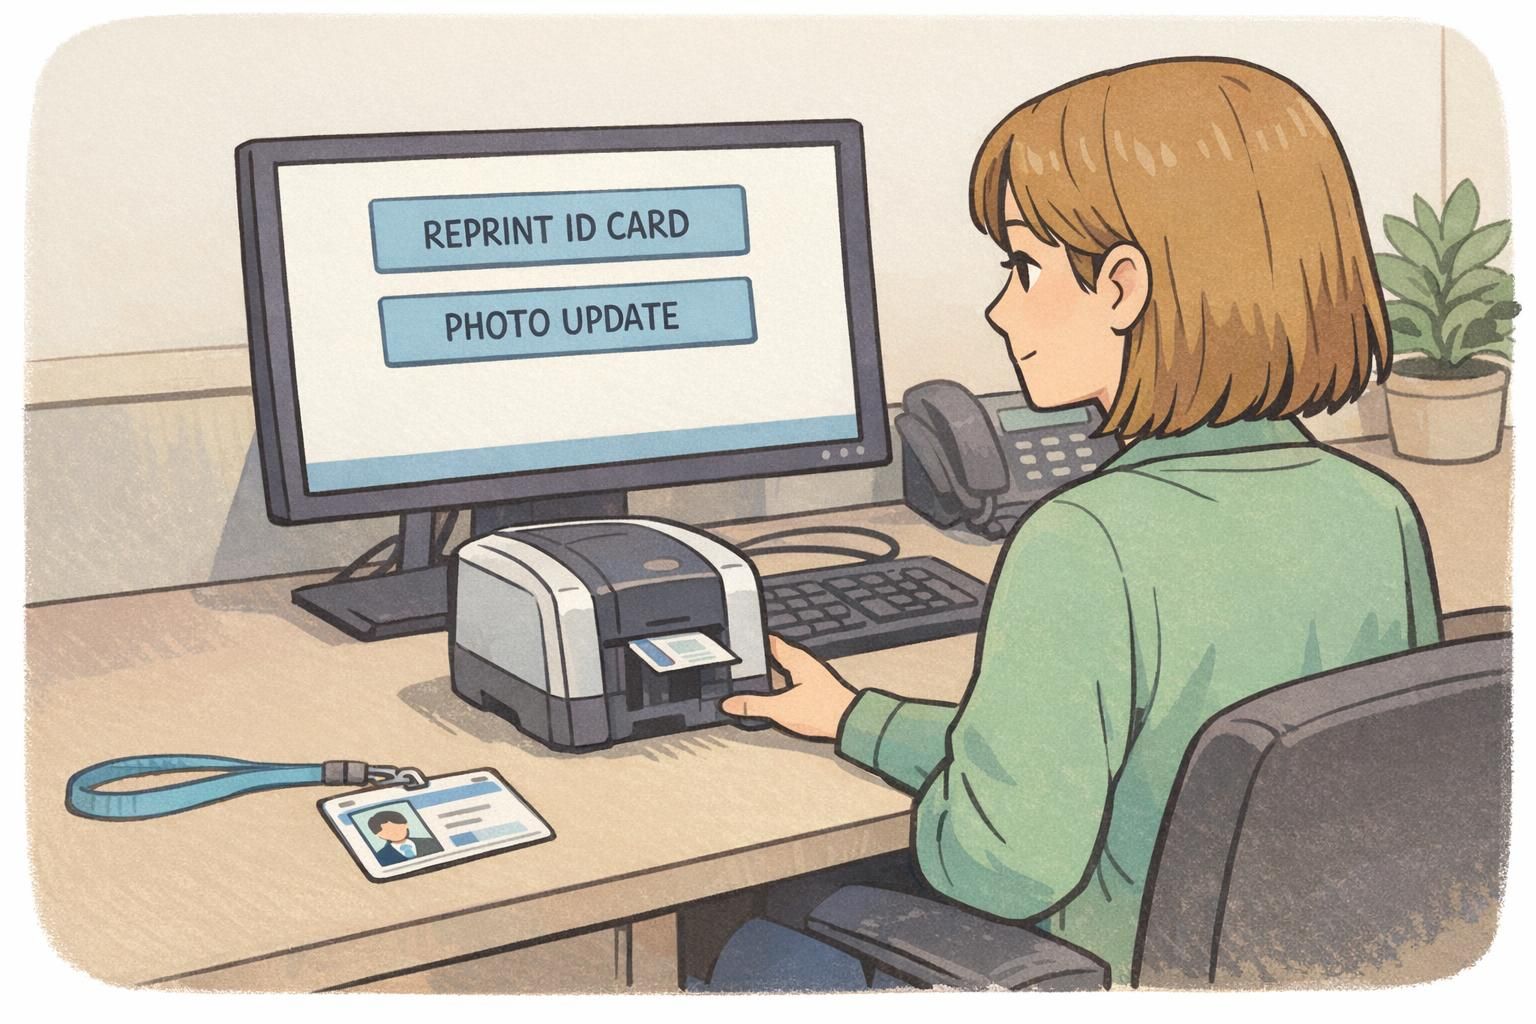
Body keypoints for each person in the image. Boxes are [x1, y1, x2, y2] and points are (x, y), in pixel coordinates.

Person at [716, 56, 1441, 989]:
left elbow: (1002, 863)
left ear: (1124, 287)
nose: (999, 307)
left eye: (1023, 266)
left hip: (1099, 976)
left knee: (748, 943)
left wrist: (935, 816)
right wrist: (858, 719)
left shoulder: (1084, 540)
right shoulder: (1374, 511)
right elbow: (1103, 763)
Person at [368, 809, 444, 866]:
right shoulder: (380, 856)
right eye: (388, 831)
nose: (395, 833)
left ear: (406, 825)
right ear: (379, 835)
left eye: (397, 828)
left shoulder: (430, 842)